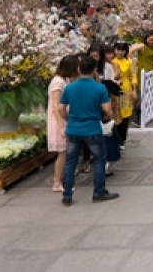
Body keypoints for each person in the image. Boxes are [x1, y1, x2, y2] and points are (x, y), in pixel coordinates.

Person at [59, 55, 119, 206]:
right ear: (94, 70)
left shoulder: (69, 87)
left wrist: (68, 119)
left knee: (70, 161)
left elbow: (60, 108)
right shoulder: (99, 88)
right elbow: (107, 109)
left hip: (73, 128)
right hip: (92, 128)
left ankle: (67, 195)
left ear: (79, 69)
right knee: (99, 159)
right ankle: (98, 192)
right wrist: (108, 114)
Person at [48, 55, 80, 192]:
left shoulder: (64, 80)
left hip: (63, 117)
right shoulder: (57, 82)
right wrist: (62, 125)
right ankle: (57, 182)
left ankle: (62, 178)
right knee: (62, 152)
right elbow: (55, 106)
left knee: (66, 152)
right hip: (58, 120)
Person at [110, 42, 135, 146]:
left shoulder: (129, 62)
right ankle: (116, 139)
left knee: (125, 114)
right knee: (115, 113)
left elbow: (132, 75)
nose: (120, 52)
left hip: (125, 90)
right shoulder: (111, 62)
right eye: (118, 49)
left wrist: (134, 89)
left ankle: (122, 139)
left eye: (122, 50)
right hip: (113, 90)